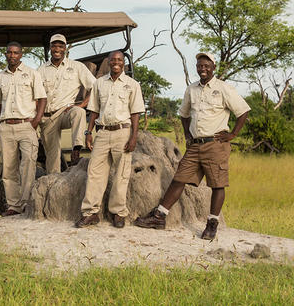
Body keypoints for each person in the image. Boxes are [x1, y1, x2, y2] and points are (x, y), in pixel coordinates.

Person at [135, 52, 250, 240]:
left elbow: (243, 111)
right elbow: (184, 113)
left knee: (217, 184)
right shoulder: (191, 89)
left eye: (206, 66)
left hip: (216, 144)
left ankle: (212, 224)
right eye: (199, 66)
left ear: (213, 67)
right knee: (179, 179)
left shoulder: (223, 88)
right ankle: (159, 217)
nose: (202, 69)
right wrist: (187, 134)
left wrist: (233, 134)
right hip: (195, 145)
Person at [75, 50, 143, 228]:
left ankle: (118, 213)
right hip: (103, 132)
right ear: (109, 62)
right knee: (95, 172)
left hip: (123, 131)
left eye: (119, 60)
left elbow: (136, 113)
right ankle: (91, 213)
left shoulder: (132, 85)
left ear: (123, 63)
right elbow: (94, 110)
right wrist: (88, 132)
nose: (116, 62)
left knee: (121, 174)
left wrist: (133, 137)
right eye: (113, 60)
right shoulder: (99, 83)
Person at [0, 41, 47, 216]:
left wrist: (36, 121)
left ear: (21, 54)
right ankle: (14, 206)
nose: (12, 55)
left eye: (15, 53)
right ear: (5, 55)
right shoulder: (0, 77)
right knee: (8, 168)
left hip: (26, 125)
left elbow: (42, 98)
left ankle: (27, 203)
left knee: (28, 165)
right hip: (6, 126)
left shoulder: (32, 74)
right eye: (9, 52)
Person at [37, 33, 95, 173]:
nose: (57, 49)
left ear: (65, 48)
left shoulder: (77, 67)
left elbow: (95, 88)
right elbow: (34, 95)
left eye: (60, 46)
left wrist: (82, 104)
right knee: (53, 159)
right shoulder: (41, 70)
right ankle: (54, 182)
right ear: (50, 48)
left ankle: (77, 147)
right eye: (54, 46)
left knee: (78, 112)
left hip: (65, 111)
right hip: (47, 116)